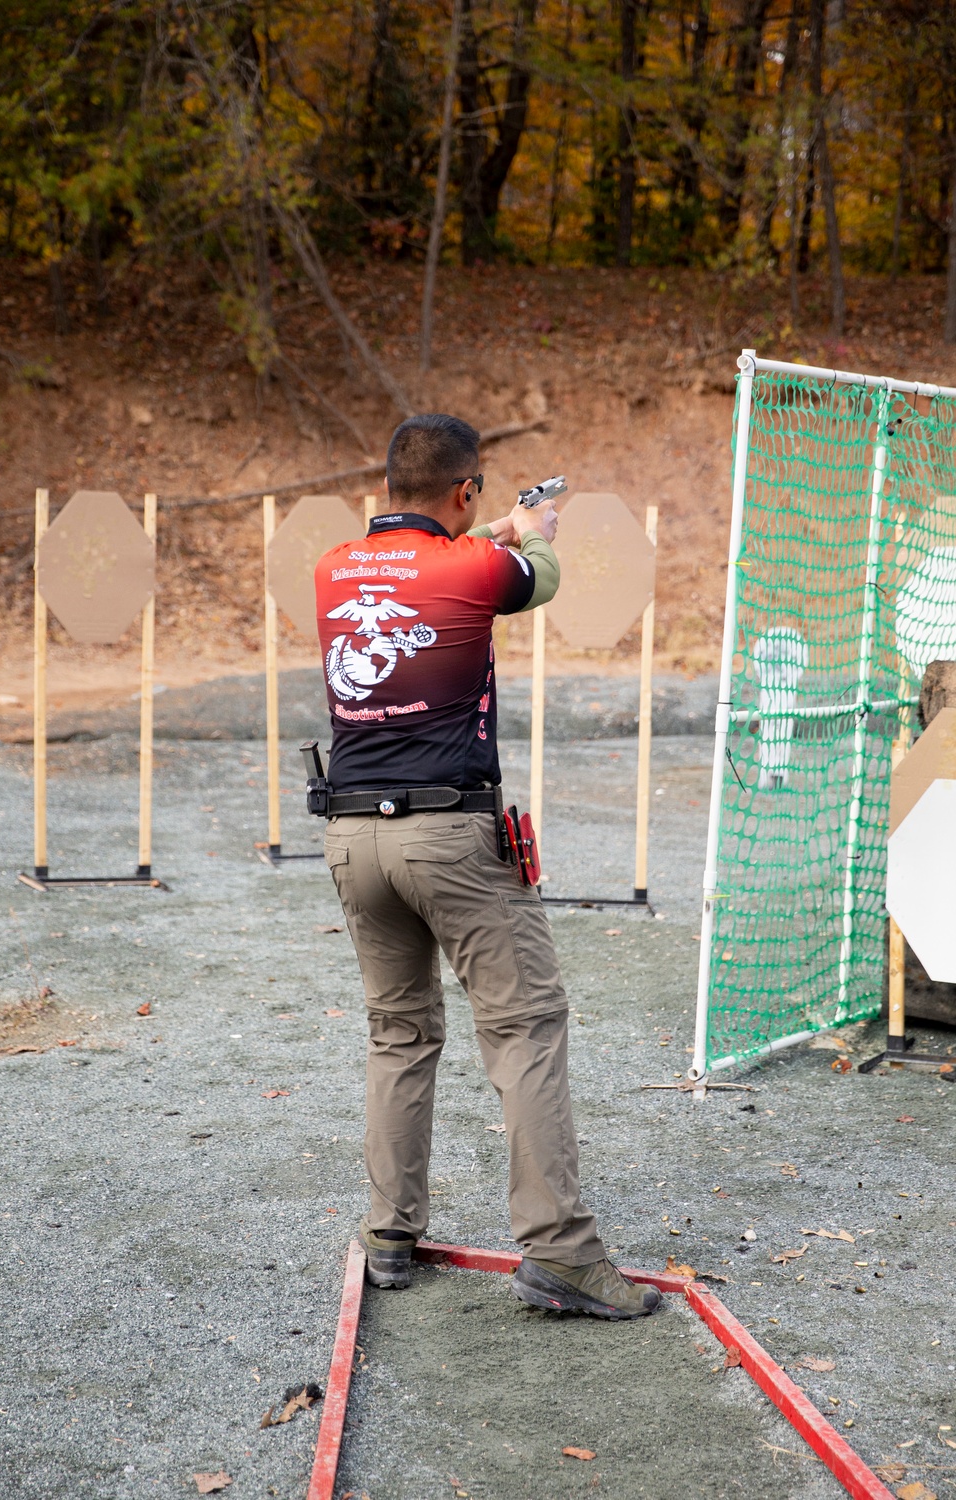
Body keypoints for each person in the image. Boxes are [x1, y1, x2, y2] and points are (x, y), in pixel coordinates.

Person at [311, 413, 659, 1321]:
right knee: (526, 1027)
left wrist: (487, 529)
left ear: (389, 487)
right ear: (465, 491)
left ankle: (390, 1232)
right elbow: (533, 578)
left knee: (399, 1031)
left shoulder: (334, 567)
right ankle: (562, 1253)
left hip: (352, 837)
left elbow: (432, 566)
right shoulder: (474, 565)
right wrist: (531, 532)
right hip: (449, 838)